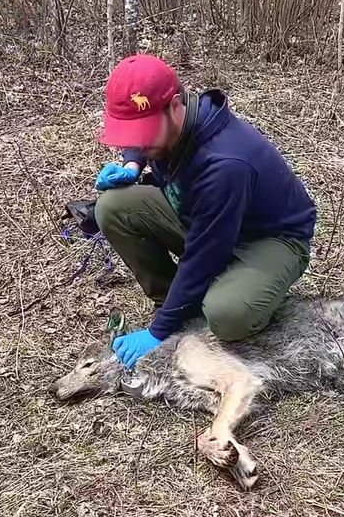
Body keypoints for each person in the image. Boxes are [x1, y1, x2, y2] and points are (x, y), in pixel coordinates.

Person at [94, 54, 317, 369]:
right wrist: (133, 164)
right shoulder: (174, 124)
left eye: (144, 134)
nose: (139, 143)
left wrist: (159, 332)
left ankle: (198, 305)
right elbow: (140, 136)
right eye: (132, 133)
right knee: (113, 207)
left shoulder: (225, 164)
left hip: (271, 239)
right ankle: (178, 303)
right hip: (205, 217)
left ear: (174, 106)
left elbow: (205, 254)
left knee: (228, 315)